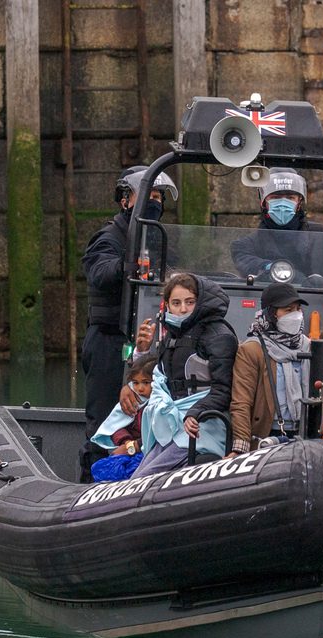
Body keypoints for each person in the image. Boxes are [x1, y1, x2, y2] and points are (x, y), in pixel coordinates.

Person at [79, 165, 177, 481]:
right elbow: (99, 272)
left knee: (146, 411)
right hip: (110, 340)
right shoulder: (109, 237)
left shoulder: (157, 238)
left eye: (159, 197)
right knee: (106, 414)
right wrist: (128, 265)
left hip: (147, 340)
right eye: (149, 195)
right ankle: (90, 480)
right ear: (125, 200)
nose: (155, 202)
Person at [133, 272, 238, 476]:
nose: (183, 309)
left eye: (190, 302)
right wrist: (141, 353)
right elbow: (159, 377)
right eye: (176, 303)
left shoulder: (218, 336)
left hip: (204, 426)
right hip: (173, 424)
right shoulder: (172, 336)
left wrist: (195, 412)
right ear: (167, 305)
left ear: (200, 303)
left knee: (143, 478)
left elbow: (224, 390)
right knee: (138, 475)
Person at [228, 283, 311, 455]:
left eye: (298, 309)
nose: (295, 316)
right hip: (268, 439)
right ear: (271, 314)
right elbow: (241, 402)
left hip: (306, 437)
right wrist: (239, 448)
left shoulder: (309, 347)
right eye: (288, 310)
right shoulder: (252, 349)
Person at [229, 168, 323, 280]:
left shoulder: (322, 237)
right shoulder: (245, 245)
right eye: (275, 197)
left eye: (290, 198)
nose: (282, 203)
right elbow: (246, 262)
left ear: (299, 202)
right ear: (263, 202)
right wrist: (271, 268)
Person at [88, 354, 156, 481]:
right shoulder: (131, 401)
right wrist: (126, 442)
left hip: (149, 452)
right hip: (128, 447)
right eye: (136, 383)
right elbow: (115, 426)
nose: (140, 388)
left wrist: (132, 448)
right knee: (101, 469)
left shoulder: (161, 404)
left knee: (132, 471)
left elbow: (158, 434)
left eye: (146, 382)